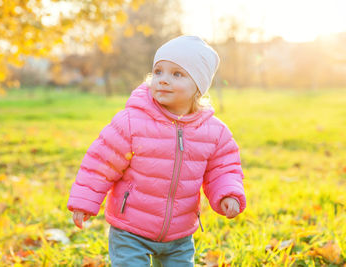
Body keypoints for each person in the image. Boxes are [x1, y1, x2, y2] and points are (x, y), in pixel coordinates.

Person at [67, 35, 246, 266]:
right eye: (158, 71)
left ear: (198, 85)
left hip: (180, 234)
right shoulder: (132, 121)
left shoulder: (214, 131)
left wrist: (228, 193)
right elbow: (101, 163)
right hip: (130, 229)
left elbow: (223, 169)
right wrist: (84, 201)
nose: (162, 80)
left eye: (177, 74)